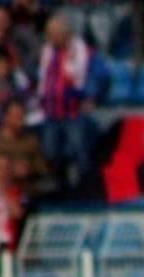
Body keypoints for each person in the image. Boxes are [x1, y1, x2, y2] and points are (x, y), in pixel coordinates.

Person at [37, 14, 95, 197]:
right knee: (51, 151)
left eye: (52, 34)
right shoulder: (47, 51)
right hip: (50, 111)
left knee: (80, 151)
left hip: (73, 111)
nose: (49, 38)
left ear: (64, 34)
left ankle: (85, 189)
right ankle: (60, 188)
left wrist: (90, 96)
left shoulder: (84, 52)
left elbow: (99, 76)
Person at [0, 98, 53, 201]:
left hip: (26, 192)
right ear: (6, 117)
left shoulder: (31, 142)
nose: (21, 121)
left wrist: (29, 169)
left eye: (22, 116)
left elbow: (43, 170)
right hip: (1, 194)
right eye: (17, 116)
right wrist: (11, 170)